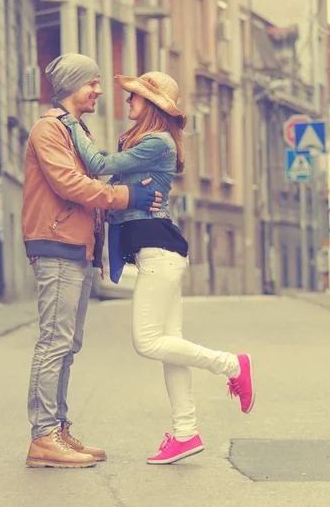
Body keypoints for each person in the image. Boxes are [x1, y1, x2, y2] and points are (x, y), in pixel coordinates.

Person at [60, 71, 255, 465]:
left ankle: (232, 364)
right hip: (158, 252)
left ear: (151, 105)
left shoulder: (156, 141)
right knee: (171, 349)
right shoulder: (140, 142)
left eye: (134, 96)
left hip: (159, 251)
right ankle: (186, 433)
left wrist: (68, 121)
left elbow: (96, 164)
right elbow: (114, 193)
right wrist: (137, 196)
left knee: (147, 342)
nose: (127, 100)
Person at [22, 54, 163, 469]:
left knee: (68, 343)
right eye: (93, 83)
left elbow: (89, 183)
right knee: (54, 342)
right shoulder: (49, 129)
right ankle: (43, 436)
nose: (100, 91)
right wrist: (127, 196)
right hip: (56, 244)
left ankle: (58, 428)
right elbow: (71, 185)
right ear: (72, 86)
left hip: (76, 246)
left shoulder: (73, 129)